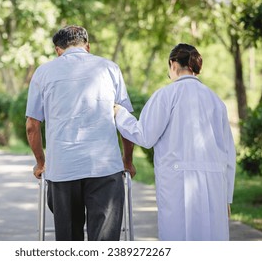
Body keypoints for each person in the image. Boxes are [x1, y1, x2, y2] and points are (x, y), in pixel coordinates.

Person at [114, 43, 236, 241]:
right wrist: (227, 196)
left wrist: (120, 115)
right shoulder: (216, 100)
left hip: (178, 183)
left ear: (172, 64)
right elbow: (229, 152)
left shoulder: (166, 95)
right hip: (214, 184)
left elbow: (145, 135)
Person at [25, 25, 135, 241]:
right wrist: (127, 161)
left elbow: (32, 125)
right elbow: (125, 121)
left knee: (69, 240)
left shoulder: (43, 72)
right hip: (104, 168)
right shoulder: (110, 68)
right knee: (104, 243)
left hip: (63, 169)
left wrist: (41, 163)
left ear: (58, 50)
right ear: (88, 46)